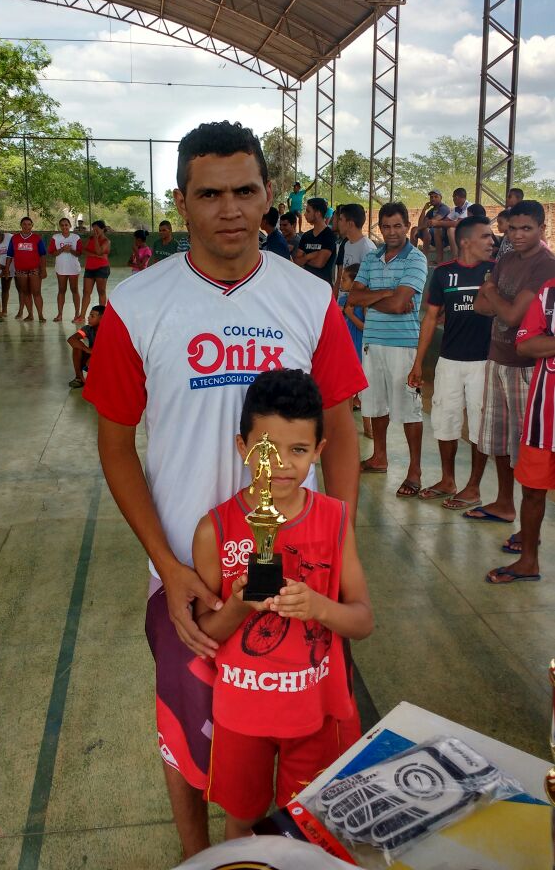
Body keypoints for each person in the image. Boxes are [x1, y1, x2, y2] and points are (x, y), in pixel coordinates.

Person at [82, 120, 366, 858]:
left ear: (268, 195)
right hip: (190, 571)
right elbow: (114, 446)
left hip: (295, 569)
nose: (230, 209)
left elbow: (341, 429)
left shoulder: (308, 298)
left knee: (291, 729)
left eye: (245, 191)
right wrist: (167, 566)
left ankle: (275, 854)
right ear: (181, 201)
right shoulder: (137, 304)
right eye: (210, 194)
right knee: (189, 728)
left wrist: (338, 543)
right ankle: (196, 856)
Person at [193, 369, 372, 839]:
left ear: (319, 450)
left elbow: (362, 620)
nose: (282, 466)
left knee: (311, 824)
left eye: (298, 450)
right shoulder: (215, 529)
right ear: (242, 447)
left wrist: (318, 606)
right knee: (241, 820)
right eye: (266, 450)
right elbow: (204, 634)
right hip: (241, 716)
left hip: (315, 713)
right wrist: (238, 606)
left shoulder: (334, 520)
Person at [465, 200, 555, 525]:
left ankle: (528, 523)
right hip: (497, 358)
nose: (516, 235)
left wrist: (492, 292)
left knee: (526, 447)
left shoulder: (545, 266)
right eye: (513, 228)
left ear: (542, 229)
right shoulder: (507, 259)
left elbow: (515, 316)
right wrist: (496, 300)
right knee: (499, 439)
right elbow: (479, 307)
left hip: (528, 368)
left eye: (526, 229)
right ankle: (504, 503)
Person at [407, 217, 495, 506]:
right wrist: (418, 363)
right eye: (485, 236)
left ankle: (473, 486)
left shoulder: (495, 271)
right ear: (466, 241)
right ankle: (448, 479)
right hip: (449, 360)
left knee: (480, 424)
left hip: (484, 362)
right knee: (445, 421)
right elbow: (431, 317)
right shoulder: (444, 273)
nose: (491, 242)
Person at [348, 201, 428, 497]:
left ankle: (415, 470)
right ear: (379, 228)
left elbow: (399, 304)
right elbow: (353, 297)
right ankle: (379, 457)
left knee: (409, 409)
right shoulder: (371, 258)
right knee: (375, 404)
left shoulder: (416, 259)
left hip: (403, 345)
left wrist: (371, 297)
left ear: (407, 226)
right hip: (373, 342)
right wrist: (386, 293)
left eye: (397, 225)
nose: (392, 232)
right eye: (386, 226)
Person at [486, 280, 555, 583]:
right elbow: (526, 344)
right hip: (544, 416)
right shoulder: (549, 291)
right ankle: (528, 562)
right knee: (532, 491)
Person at [339, 264, 372, 437]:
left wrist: (351, 315)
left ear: (355, 283)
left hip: (360, 352)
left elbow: (367, 329)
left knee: (364, 393)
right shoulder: (343, 301)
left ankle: (369, 428)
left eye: (345, 279)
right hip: (347, 351)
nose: (341, 282)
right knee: (347, 394)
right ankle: (348, 426)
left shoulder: (364, 304)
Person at [4, 217, 47, 323]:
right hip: (20, 270)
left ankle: (40, 315)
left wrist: (43, 269)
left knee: (36, 292)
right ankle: (30, 315)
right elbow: (10, 255)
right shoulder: (14, 238)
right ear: (21, 225)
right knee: (26, 292)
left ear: (32, 226)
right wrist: (6, 269)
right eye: (24, 224)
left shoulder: (37, 238)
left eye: (29, 224)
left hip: (34, 269)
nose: (26, 226)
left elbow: (42, 255)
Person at [334, 204, 376, 297]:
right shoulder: (347, 244)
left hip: (355, 307)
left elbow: (370, 284)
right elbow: (341, 275)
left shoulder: (367, 248)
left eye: (340, 219)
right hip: (344, 302)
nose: (338, 222)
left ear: (350, 224)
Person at [294, 197, 337, 284]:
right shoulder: (306, 236)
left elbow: (319, 263)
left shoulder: (329, 235)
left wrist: (304, 259)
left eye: (308, 211)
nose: (305, 214)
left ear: (317, 213)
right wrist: (310, 256)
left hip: (322, 286)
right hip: (306, 284)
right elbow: (297, 261)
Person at [48, 217, 82, 322]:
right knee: (61, 290)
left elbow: (79, 253)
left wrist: (70, 250)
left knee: (74, 290)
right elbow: (52, 253)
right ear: (60, 226)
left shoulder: (76, 237)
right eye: (62, 225)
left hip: (73, 268)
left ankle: (77, 314)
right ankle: (60, 314)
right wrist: (62, 249)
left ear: (70, 226)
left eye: (66, 225)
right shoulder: (55, 237)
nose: (64, 227)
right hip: (61, 268)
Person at [77, 219, 111, 322]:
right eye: (93, 229)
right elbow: (83, 250)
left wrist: (96, 239)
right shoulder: (90, 238)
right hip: (89, 268)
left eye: (97, 230)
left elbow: (99, 251)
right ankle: (82, 316)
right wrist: (93, 255)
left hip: (102, 268)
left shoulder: (106, 241)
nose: (94, 232)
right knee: (86, 292)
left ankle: (101, 316)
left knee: (101, 291)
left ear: (103, 229)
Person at [67, 305, 105, 389]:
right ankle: (78, 378)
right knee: (77, 348)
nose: (88, 318)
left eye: (92, 316)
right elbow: (71, 339)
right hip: (92, 355)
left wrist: (94, 355)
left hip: (105, 359)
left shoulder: (109, 330)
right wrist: (88, 350)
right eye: (89, 315)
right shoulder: (88, 329)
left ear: (102, 318)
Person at [428, 188, 471, 259]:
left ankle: (455, 257)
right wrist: (438, 224)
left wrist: (437, 222)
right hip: (461, 232)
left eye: (453, 198)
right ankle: (439, 259)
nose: (453, 200)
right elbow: (446, 220)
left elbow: (458, 223)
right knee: (438, 229)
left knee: (451, 229)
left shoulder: (468, 206)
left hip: (470, 232)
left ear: (456, 197)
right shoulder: (457, 208)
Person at [410, 190, 451, 264]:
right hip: (431, 236)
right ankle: (412, 257)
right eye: (431, 197)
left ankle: (424, 258)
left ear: (440, 198)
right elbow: (421, 224)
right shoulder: (431, 211)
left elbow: (432, 222)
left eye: (436, 197)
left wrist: (419, 228)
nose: (433, 199)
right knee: (413, 229)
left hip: (442, 238)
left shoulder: (444, 208)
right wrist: (424, 209)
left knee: (425, 230)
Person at [495, 188, 524, 261]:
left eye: (510, 197)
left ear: (518, 199)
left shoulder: (524, 215)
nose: (507, 199)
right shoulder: (509, 212)